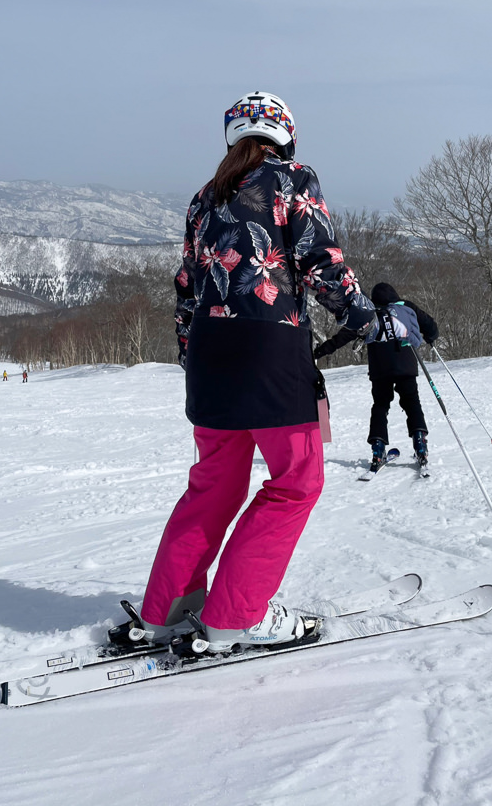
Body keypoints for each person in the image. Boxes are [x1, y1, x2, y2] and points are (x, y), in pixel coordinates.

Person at [111, 91, 384, 654]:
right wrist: (372, 320)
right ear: (287, 135)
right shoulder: (292, 179)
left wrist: (194, 357)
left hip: (211, 358)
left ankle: (167, 609)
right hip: (269, 349)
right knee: (296, 481)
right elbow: (320, 261)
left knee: (214, 484)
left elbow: (187, 286)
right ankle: (234, 616)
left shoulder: (203, 199)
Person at [314, 281, 438, 471]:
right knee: (412, 402)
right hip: (406, 363)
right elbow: (429, 325)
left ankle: (378, 449)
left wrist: (316, 353)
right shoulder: (405, 306)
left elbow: (341, 338)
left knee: (380, 405)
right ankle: (420, 445)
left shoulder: (367, 315)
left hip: (380, 368)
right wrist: (430, 337)